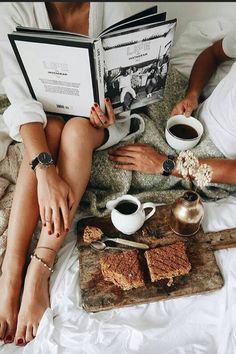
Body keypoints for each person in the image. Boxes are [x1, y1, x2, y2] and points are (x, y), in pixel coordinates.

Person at [0, 1, 147, 346]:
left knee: (77, 132)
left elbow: (126, 89)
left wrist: (111, 110)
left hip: (91, 121)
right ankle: (12, 269)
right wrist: (46, 172)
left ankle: (40, 266)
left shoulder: (116, 7)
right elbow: (20, 99)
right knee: (49, 128)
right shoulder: (14, 7)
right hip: (40, 117)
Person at [108, 31, 236, 184]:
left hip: (209, 160)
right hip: (192, 111)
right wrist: (192, 94)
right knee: (152, 80)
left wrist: (164, 164)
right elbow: (213, 54)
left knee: (113, 168)